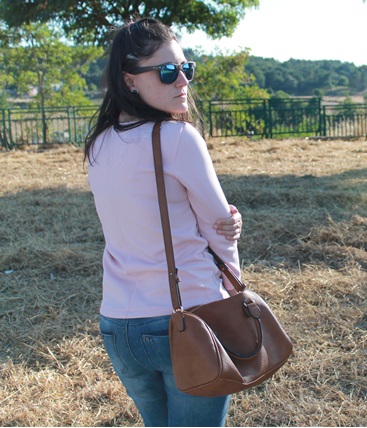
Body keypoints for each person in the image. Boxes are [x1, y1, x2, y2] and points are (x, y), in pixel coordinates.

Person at [84, 18, 242, 427]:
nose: (183, 81)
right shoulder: (178, 138)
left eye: (186, 68)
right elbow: (219, 228)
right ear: (130, 80)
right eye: (167, 71)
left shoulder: (98, 144)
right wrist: (235, 290)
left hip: (118, 325)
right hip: (188, 316)